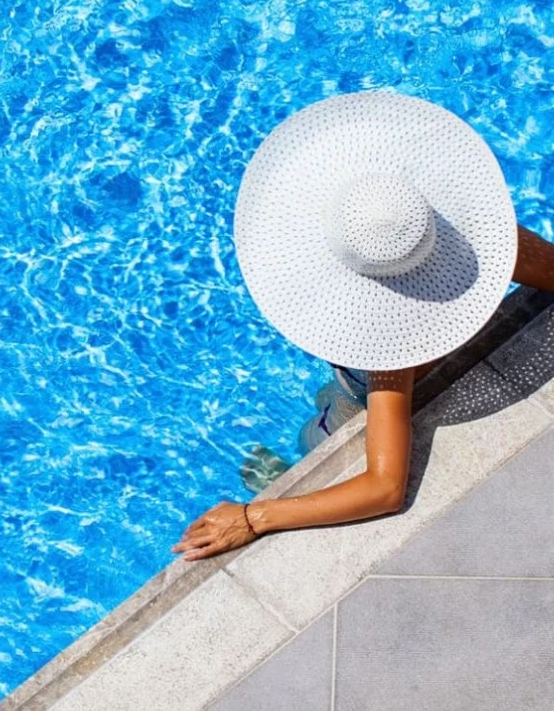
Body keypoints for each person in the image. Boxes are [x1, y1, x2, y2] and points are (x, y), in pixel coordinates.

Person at [174, 90, 554, 562]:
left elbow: (384, 487)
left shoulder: (390, 352)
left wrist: (254, 517)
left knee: (320, 434)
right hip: (391, 360)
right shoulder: (485, 243)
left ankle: (285, 469)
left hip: (358, 401)